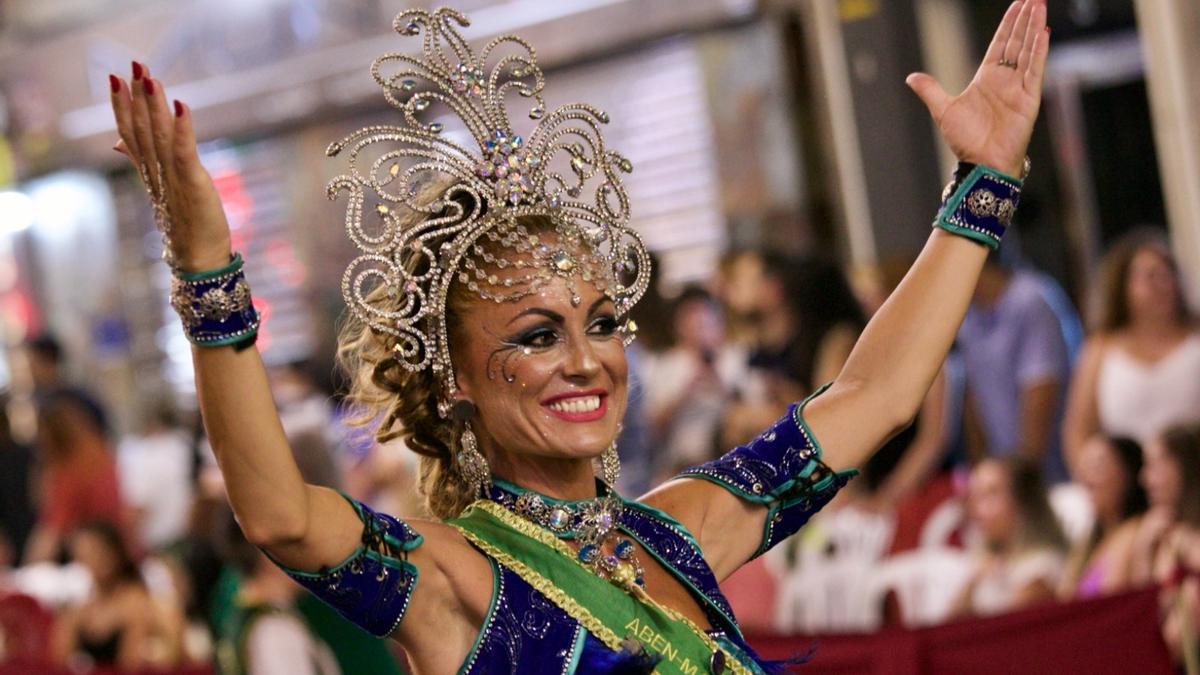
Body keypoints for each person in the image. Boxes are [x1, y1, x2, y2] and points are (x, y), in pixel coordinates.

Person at [106, 2, 1050, 670]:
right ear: (457, 379)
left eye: (600, 322)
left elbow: (872, 398)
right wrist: (204, 268)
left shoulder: (680, 533)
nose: (585, 359)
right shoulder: (457, 580)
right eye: (536, 334)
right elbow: (278, 514)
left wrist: (981, 187)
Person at [1063, 230, 1200, 475]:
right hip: (1129, 486)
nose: (1162, 284)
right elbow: (1078, 432)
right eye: (1150, 277)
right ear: (1123, 286)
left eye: (1168, 274)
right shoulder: (1100, 349)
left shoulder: (1195, 338)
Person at [957, 254, 1074, 483]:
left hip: (1047, 475)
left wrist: (1023, 483)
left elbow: (1041, 391)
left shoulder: (1029, 299)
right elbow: (974, 397)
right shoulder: (968, 314)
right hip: (1004, 475)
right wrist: (980, 472)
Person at [50, 521, 183, 671]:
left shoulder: (136, 602)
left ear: (114, 555)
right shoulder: (81, 605)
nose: (90, 563)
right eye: (82, 557)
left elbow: (131, 664)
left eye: (96, 553)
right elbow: (60, 660)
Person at [644, 286, 747, 474]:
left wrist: (719, 383)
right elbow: (653, 427)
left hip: (728, 457)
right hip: (678, 463)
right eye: (693, 320)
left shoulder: (733, 358)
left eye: (706, 320)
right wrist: (686, 392)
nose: (701, 328)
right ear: (678, 324)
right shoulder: (666, 364)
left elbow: (747, 410)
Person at [950, 457, 1067, 618]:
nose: (977, 510)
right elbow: (951, 620)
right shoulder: (987, 558)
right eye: (975, 496)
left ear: (1023, 500)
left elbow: (1005, 631)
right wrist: (972, 582)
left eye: (990, 495)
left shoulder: (1041, 569)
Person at [24, 393, 132, 563]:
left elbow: (51, 532)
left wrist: (26, 573)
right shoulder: (101, 454)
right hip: (120, 549)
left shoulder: (70, 471)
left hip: (98, 555)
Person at [1059, 435, 1149, 600]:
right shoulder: (1088, 543)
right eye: (1084, 470)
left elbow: (1115, 601)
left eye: (1097, 468)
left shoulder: (1138, 532)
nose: (1087, 481)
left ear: (1128, 474)